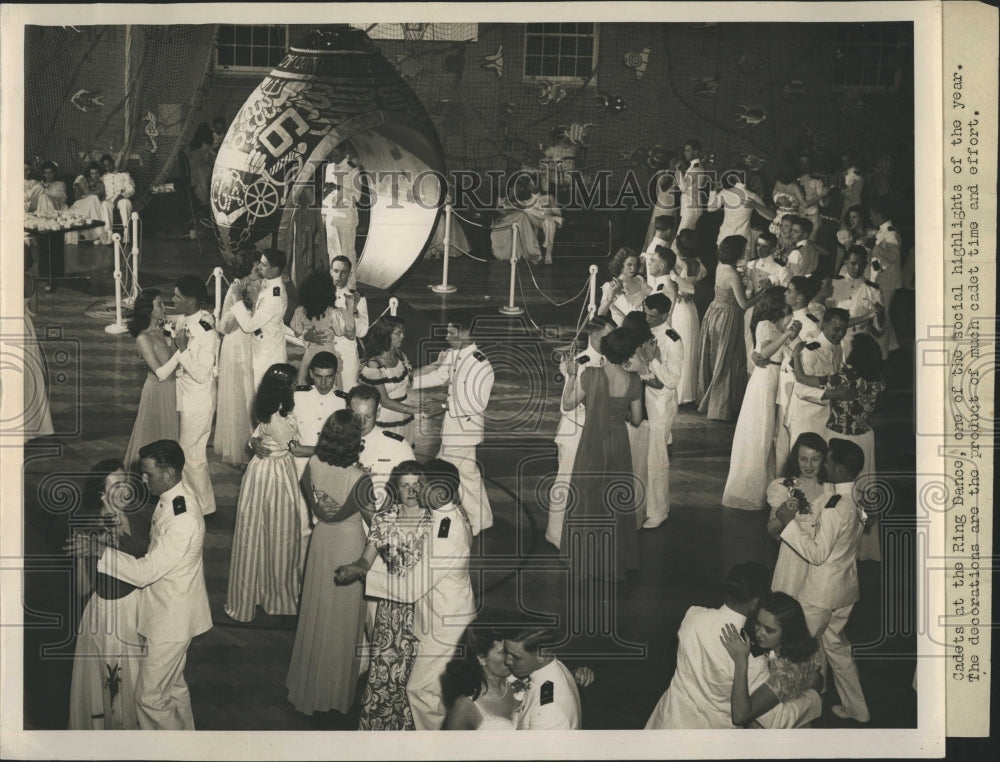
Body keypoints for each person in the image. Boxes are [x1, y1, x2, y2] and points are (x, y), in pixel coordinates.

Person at [337, 459, 475, 731]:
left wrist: (365, 575)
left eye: (421, 484)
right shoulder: (443, 516)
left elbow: (411, 588)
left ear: (437, 491)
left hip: (445, 624)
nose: (416, 490)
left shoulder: (448, 531)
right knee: (427, 692)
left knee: (422, 692)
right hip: (433, 618)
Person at [89, 440, 212, 729]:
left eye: (149, 474)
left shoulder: (183, 519)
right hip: (169, 610)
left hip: (172, 619)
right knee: (173, 688)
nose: (143, 480)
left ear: (168, 473)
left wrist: (101, 552)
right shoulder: (176, 496)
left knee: (149, 699)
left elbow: (146, 572)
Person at [772, 438, 871, 724]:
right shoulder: (856, 498)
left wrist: (789, 523)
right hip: (846, 590)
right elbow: (866, 519)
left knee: (795, 646)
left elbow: (816, 554)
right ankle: (858, 709)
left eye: (827, 461)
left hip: (820, 594)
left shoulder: (832, 505)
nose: (823, 465)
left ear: (838, 469)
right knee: (838, 650)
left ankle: (783, 708)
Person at [286, 409, 375, 716]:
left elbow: (310, 494)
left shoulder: (313, 462)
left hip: (322, 541)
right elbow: (375, 524)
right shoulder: (359, 479)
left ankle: (309, 687)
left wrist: (324, 506)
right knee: (341, 624)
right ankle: (334, 695)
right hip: (348, 547)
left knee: (317, 613)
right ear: (355, 441)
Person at [225, 364, 312, 622]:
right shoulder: (278, 418)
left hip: (262, 472)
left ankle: (260, 591)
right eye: (294, 383)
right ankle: (278, 598)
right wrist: (333, 448)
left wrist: (254, 442)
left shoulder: (268, 409)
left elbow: (259, 433)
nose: (297, 386)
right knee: (280, 533)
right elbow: (296, 449)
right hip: (274, 476)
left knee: (260, 532)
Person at [67, 459, 147, 730]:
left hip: (139, 609)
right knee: (113, 685)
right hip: (108, 619)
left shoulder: (139, 516)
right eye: (116, 484)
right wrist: (84, 556)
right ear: (101, 493)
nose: (124, 489)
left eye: (126, 481)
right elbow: (82, 589)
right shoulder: (90, 529)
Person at [350, 461, 431, 730]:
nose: (411, 491)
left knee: (415, 675)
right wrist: (356, 568)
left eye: (416, 484)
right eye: (405, 485)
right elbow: (366, 559)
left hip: (422, 608)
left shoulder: (435, 521)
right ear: (396, 488)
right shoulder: (385, 518)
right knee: (384, 670)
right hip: (390, 609)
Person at [560, 327, 642, 580]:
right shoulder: (635, 381)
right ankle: (614, 561)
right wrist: (619, 412)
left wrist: (570, 377)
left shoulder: (591, 375)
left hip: (592, 440)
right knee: (614, 500)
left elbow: (567, 405)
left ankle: (586, 559)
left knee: (588, 498)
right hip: (618, 440)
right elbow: (637, 420)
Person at [645, 562, 770, 729]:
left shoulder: (693, 615)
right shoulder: (752, 657)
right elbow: (756, 711)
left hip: (670, 720)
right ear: (755, 603)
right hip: (711, 736)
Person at [799, 334, 886, 563]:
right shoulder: (877, 379)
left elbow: (804, 380)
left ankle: (830, 539)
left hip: (840, 435)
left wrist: (796, 357)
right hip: (864, 437)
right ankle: (860, 544)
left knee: (833, 489)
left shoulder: (846, 376)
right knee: (862, 490)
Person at [410, 312, 494, 535]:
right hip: (454, 430)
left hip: (464, 431)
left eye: (451, 332)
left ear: (465, 333)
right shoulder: (455, 354)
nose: (446, 337)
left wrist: (444, 406)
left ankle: (475, 522)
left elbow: (478, 403)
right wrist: (406, 381)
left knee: (456, 474)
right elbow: (439, 376)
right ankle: (481, 520)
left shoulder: (480, 364)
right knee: (466, 474)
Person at [722, 287, 801, 510]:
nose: (788, 299)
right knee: (760, 432)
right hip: (765, 381)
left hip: (776, 378)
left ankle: (770, 485)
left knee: (771, 434)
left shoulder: (780, 323)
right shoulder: (767, 324)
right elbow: (764, 352)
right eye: (785, 297)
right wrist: (786, 336)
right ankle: (749, 489)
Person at [153, 276, 220, 516]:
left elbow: (202, 374)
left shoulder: (207, 332)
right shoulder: (184, 319)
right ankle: (194, 501)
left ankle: (205, 507)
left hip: (199, 400)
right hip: (183, 395)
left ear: (191, 300)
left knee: (193, 456)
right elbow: (170, 325)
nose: (174, 299)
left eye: (178, 296)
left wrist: (181, 348)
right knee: (187, 452)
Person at [546, 315, 614, 548]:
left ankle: (574, 531)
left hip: (589, 430)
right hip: (574, 431)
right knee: (565, 483)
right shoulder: (583, 361)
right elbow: (569, 403)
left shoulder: (605, 359)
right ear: (594, 336)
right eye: (607, 336)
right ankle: (555, 535)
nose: (610, 340)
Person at [720, 591, 823, 728]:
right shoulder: (802, 645)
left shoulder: (784, 673)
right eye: (758, 623)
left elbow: (740, 716)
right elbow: (817, 678)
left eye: (769, 630)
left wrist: (741, 662)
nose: (759, 633)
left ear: (788, 631)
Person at [697, 235, 769, 421]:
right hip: (728, 317)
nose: (746, 252)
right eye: (744, 249)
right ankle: (721, 407)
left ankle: (714, 401)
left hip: (715, 313)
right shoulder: (732, 274)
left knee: (717, 358)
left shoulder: (721, 267)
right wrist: (763, 293)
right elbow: (744, 304)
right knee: (727, 360)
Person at [634, 293, 684, 529]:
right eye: (646, 314)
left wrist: (652, 360)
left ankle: (658, 510)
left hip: (660, 405)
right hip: (643, 401)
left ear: (664, 315)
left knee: (657, 460)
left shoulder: (672, 340)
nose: (648, 319)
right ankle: (642, 504)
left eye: (652, 317)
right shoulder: (646, 329)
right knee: (642, 456)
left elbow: (672, 381)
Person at [766, 433, 834, 598]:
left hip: (823, 559)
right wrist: (784, 515)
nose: (809, 465)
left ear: (824, 459)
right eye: (803, 459)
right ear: (795, 459)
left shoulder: (832, 488)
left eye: (815, 459)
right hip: (792, 559)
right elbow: (771, 531)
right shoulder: (783, 487)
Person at [769, 276, 823, 472]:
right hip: (784, 380)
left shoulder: (811, 323)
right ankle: (779, 481)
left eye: (789, 291)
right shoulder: (786, 317)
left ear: (800, 298)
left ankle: (790, 479)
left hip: (795, 384)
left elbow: (808, 360)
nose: (785, 294)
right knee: (779, 435)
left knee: (790, 433)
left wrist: (794, 340)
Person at [123, 290, 180, 472]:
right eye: (159, 304)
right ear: (148, 310)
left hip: (174, 388)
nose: (164, 307)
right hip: (158, 391)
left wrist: (173, 339)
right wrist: (182, 350)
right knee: (156, 436)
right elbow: (160, 372)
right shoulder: (143, 338)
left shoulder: (162, 328)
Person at [213, 248, 260, 466]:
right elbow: (223, 326)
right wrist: (239, 305)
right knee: (238, 392)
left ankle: (254, 441)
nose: (259, 268)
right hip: (235, 345)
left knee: (250, 390)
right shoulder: (235, 288)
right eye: (256, 265)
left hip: (251, 343)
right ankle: (238, 448)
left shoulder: (258, 285)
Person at [361, 315, 431, 444]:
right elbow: (385, 401)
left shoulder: (398, 354)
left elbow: (409, 378)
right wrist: (414, 409)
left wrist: (435, 365)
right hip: (388, 418)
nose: (403, 336)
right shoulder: (374, 365)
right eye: (398, 333)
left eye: (402, 332)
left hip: (405, 415)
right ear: (385, 335)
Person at [786, 308, 851, 447]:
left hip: (826, 418)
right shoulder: (810, 350)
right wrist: (834, 394)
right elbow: (801, 390)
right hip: (806, 418)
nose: (840, 334)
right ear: (824, 324)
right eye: (836, 329)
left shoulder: (837, 346)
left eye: (844, 330)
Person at [348, 384, 415, 512]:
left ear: (378, 412)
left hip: (381, 519)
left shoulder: (398, 446)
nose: (362, 423)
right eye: (357, 416)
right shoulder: (337, 442)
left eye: (368, 417)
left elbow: (411, 489)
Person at [230, 248, 289, 388]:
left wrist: (236, 298)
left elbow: (249, 326)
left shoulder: (275, 298)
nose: (258, 267)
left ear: (275, 270)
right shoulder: (269, 282)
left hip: (268, 356)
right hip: (262, 350)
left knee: (267, 402)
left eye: (263, 264)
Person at [503, 627, 583, 730]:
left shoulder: (549, 710)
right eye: (506, 652)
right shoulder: (554, 667)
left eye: (515, 657)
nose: (507, 661)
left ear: (542, 655)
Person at [292, 351, 347, 477]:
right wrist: (255, 440)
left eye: (328, 377)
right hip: (298, 468)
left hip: (330, 468)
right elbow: (276, 423)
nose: (323, 383)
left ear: (336, 375)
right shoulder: (296, 397)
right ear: (311, 374)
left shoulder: (345, 402)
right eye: (318, 376)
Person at [18, 250, 54, 438]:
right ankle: (33, 424)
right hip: (24, 328)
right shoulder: (30, 281)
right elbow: (34, 311)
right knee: (29, 377)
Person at [670, 229, 708, 404]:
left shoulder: (678, 264)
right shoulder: (698, 264)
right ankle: (688, 392)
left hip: (679, 308)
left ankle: (678, 392)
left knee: (679, 347)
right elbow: (702, 275)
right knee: (689, 347)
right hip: (691, 309)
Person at [830, 246, 886, 359]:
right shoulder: (834, 284)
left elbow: (879, 328)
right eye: (853, 263)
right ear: (846, 262)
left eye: (861, 264)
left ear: (866, 264)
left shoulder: (873, 290)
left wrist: (879, 316)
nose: (857, 268)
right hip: (835, 341)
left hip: (859, 342)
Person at [288, 270, 342, 386]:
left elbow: (296, 333)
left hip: (310, 355)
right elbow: (340, 331)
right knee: (328, 386)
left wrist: (306, 333)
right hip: (328, 354)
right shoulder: (333, 312)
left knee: (307, 387)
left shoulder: (300, 311)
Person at [865, 201, 902, 356]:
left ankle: (883, 352)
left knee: (882, 316)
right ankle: (892, 346)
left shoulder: (891, 233)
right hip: (880, 278)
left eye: (872, 215)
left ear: (879, 214)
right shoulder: (882, 231)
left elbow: (893, 256)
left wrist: (875, 248)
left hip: (887, 280)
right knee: (883, 314)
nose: (870, 218)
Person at [329, 255, 369, 391]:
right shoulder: (320, 295)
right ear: (330, 271)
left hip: (347, 355)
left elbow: (362, 332)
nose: (339, 275)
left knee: (347, 393)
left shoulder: (358, 298)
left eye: (343, 272)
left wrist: (354, 310)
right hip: (325, 352)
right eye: (335, 271)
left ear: (350, 273)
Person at [706, 170, 773, 248]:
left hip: (725, 237)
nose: (752, 182)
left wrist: (713, 190)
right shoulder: (752, 196)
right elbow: (770, 216)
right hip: (743, 239)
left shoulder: (725, 192)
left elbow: (710, 208)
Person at [323, 145, 362, 278]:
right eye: (331, 155)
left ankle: (350, 285)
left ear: (344, 152)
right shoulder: (329, 167)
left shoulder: (353, 170)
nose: (333, 158)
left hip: (346, 217)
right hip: (331, 217)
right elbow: (326, 193)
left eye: (336, 154)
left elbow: (357, 196)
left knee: (347, 252)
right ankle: (335, 285)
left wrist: (338, 187)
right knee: (332, 252)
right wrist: (324, 213)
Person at [284, 184, 328, 292]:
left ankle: (305, 289)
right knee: (299, 257)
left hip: (307, 223)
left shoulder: (311, 206)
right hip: (299, 222)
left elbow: (311, 201)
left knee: (307, 258)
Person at [597, 247, 651, 326]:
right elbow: (601, 314)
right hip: (622, 333)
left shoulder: (639, 280)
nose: (633, 268)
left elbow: (655, 297)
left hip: (641, 327)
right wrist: (610, 298)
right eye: (629, 265)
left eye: (635, 265)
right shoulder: (611, 286)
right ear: (620, 265)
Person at [67, 162, 112, 244]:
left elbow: (102, 197)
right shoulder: (82, 179)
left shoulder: (101, 183)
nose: (95, 175)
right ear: (89, 174)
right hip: (81, 204)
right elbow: (77, 197)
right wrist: (89, 196)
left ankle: (97, 235)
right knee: (93, 198)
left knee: (95, 200)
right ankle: (99, 234)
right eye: (92, 173)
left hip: (94, 205)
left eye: (97, 173)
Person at [99, 154, 136, 244]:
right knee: (104, 204)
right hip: (109, 200)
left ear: (113, 162)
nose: (109, 167)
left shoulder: (124, 175)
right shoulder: (103, 178)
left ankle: (126, 233)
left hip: (121, 199)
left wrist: (122, 195)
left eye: (110, 164)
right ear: (104, 167)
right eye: (106, 166)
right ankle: (109, 234)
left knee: (125, 203)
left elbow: (131, 189)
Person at [768, 161, 808, 238]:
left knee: (786, 237)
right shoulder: (789, 185)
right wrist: (777, 199)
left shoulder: (781, 184)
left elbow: (773, 195)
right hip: (786, 217)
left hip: (786, 217)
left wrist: (778, 199)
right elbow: (805, 204)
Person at [677, 139, 710, 233]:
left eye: (688, 151)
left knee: (681, 238)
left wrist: (678, 170)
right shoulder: (692, 167)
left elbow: (683, 187)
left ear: (695, 152)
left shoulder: (696, 168)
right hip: (688, 207)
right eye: (685, 150)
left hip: (691, 209)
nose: (684, 153)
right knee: (684, 239)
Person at [834, 204, 872, 274]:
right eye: (850, 217)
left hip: (868, 268)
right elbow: (840, 257)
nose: (851, 220)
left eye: (854, 217)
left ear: (862, 217)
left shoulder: (871, 233)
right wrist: (836, 273)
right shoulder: (846, 235)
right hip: (852, 269)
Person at [187, 123, 216, 209]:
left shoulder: (195, 143)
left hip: (191, 169)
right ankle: (205, 200)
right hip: (199, 169)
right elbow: (214, 157)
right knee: (208, 174)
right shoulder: (206, 145)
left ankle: (203, 198)